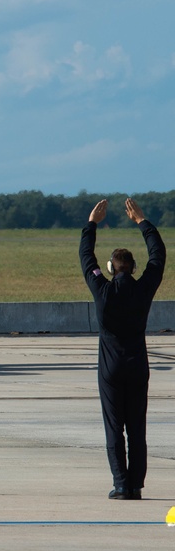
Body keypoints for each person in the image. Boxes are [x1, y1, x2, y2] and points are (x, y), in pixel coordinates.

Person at [80, 198, 166, 500]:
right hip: (138, 366)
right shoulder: (143, 288)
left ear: (110, 269)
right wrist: (142, 221)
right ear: (133, 269)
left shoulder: (101, 289)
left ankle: (120, 484)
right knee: (137, 428)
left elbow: (85, 257)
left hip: (110, 368)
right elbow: (159, 256)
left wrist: (92, 224)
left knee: (114, 428)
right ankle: (136, 485)